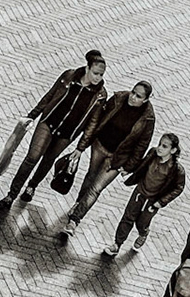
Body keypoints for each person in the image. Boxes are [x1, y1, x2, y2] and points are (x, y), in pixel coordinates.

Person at [0, 51, 110, 210]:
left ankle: (32, 186)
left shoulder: (100, 95)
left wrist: (81, 147)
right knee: (32, 157)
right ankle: (11, 195)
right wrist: (33, 115)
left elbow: (92, 122)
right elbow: (50, 95)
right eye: (95, 73)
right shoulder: (69, 76)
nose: (98, 77)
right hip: (48, 123)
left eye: (101, 74)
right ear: (87, 68)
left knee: (48, 160)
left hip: (66, 134)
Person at [64, 81, 156, 236]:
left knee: (96, 189)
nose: (133, 97)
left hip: (117, 159)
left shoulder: (148, 119)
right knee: (90, 177)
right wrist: (83, 145)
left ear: (145, 100)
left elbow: (142, 146)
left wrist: (128, 166)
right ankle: (79, 203)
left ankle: (74, 220)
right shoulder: (118, 98)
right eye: (133, 92)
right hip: (99, 146)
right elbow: (97, 120)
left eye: (138, 96)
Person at [105, 133, 185, 256]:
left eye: (164, 146)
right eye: (159, 144)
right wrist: (128, 169)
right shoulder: (153, 153)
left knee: (142, 222)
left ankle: (143, 233)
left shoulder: (176, 169)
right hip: (140, 192)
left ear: (173, 150)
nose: (159, 148)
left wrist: (161, 202)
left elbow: (178, 188)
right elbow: (141, 164)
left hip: (154, 200)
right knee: (128, 217)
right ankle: (117, 244)